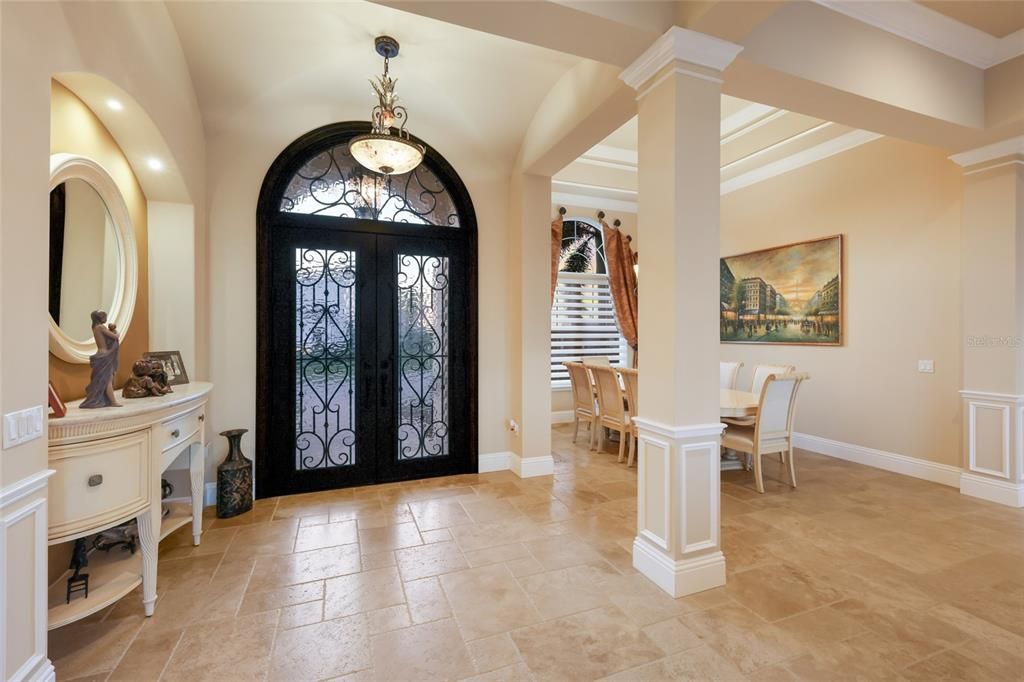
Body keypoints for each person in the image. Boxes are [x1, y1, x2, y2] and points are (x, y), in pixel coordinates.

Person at [80, 310, 122, 408]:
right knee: (107, 380)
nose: (106, 318)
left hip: (101, 354)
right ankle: (113, 401)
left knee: (104, 379)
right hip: (105, 356)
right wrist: (115, 330)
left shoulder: (95, 327)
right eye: (104, 316)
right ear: (100, 318)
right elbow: (115, 337)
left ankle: (108, 400)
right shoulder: (101, 327)